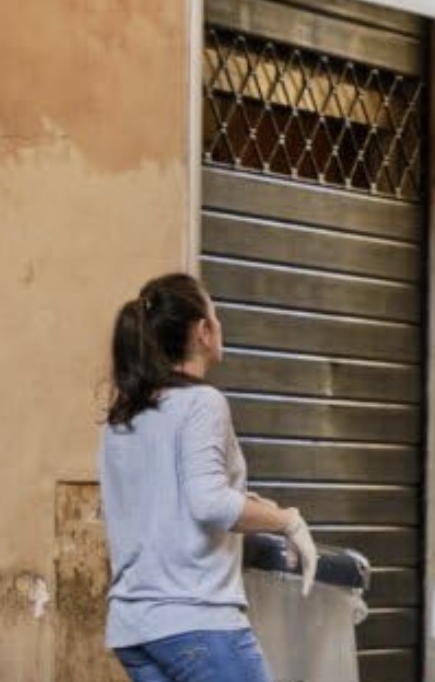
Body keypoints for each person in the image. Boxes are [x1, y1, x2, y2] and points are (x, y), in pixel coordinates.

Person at [100, 272, 318, 682]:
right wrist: (288, 521)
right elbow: (209, 503)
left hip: (134, 630)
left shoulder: (123, 416)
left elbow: (164, 499)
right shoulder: (202, 402)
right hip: (195, 622)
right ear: (202, 331)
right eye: (215, 315)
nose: (219, 325)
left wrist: (253, 505)